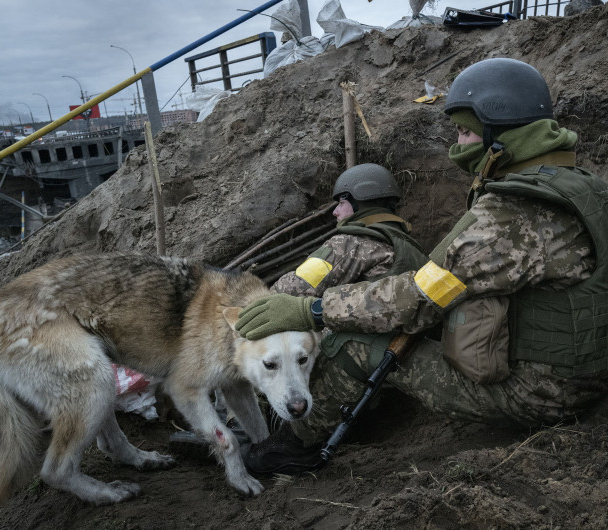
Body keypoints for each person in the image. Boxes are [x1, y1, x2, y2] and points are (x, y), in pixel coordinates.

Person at [236, 57, 608, 473]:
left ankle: (294, 447)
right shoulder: (581, 185)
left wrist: (312, 310)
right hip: (598, 367)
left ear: (499, 132)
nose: (458, 146)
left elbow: (421, 296)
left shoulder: (511, 216)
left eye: (465, 131)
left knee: (354, 345)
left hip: (546, 393)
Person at [169, 163, 428, 468]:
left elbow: (283, 296)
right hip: (389, 368)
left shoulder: (348, 244)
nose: (335, 213)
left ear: (361, 202)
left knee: (278, 349)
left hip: (346, 363)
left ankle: (240, 430)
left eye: (341, 203)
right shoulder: (413, 251)